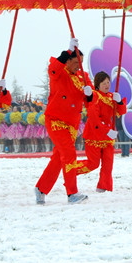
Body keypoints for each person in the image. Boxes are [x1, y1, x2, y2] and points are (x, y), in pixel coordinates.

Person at [34, 39, 93, 205]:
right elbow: (53, 69)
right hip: (56, 121)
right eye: (76, 62)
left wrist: (90, 94)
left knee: (58, 159)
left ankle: (41, 188)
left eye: (81, 63)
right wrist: (67, 51)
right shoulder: (59, 72)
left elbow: (90, 102)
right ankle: (72, 193)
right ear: (68, 61)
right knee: (69, 153)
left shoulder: (83, 77)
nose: (78, 66)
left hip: (72, 124)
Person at [78, 71, 126, 192]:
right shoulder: (94, 96)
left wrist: (119, 102)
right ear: (98, 84)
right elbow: (94, 118)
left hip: (107, 135)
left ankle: (103, 187)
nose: (107, 85)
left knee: (108, 164)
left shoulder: (111, 96)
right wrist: (107, 131)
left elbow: (121, 112)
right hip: (94, 134)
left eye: (108, 82)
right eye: (104, 83)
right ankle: (70, 170)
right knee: (93, 164)